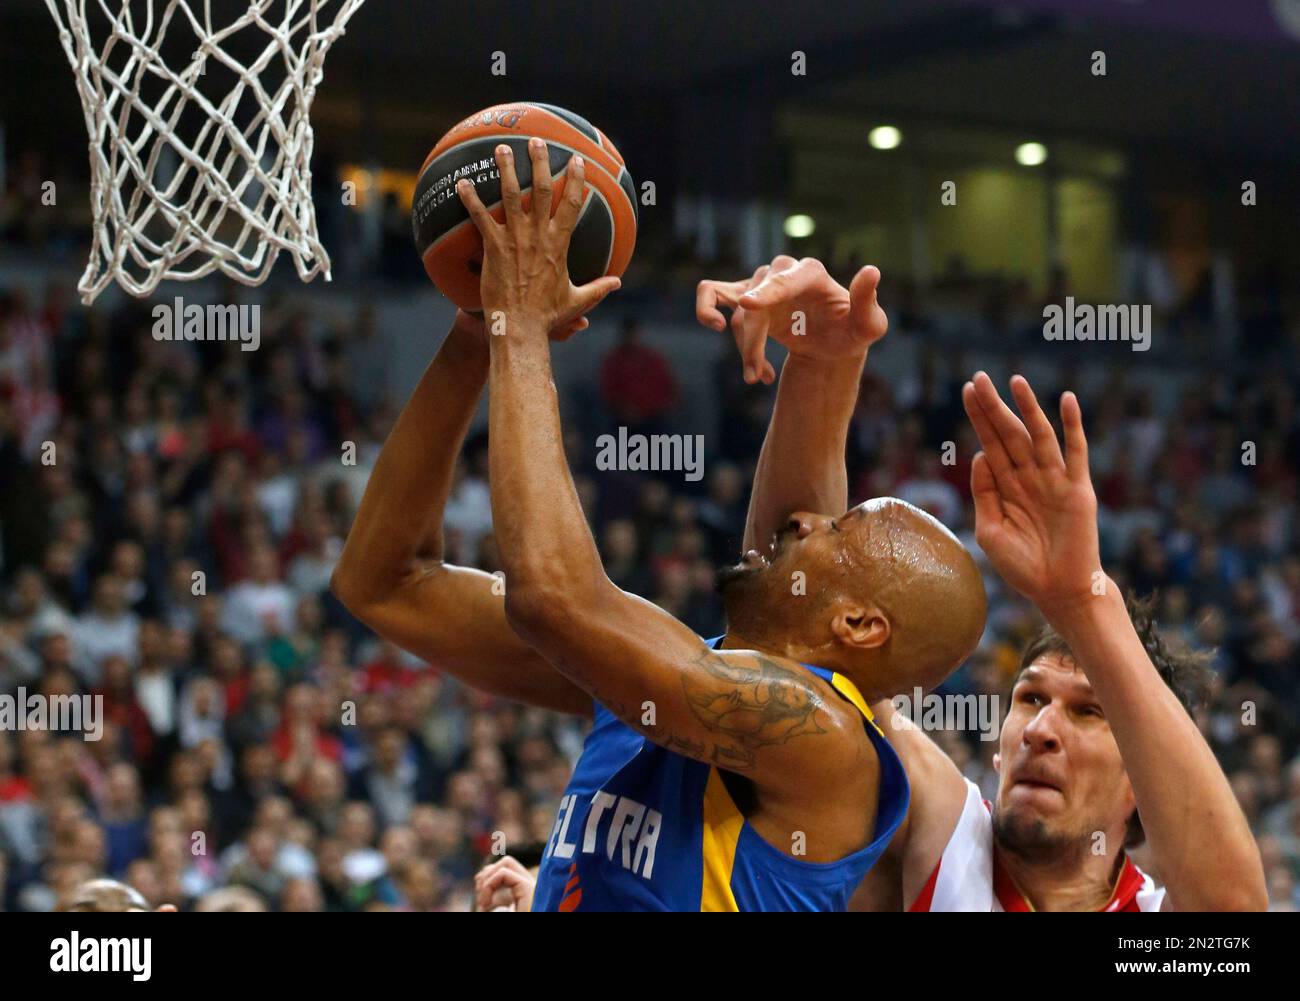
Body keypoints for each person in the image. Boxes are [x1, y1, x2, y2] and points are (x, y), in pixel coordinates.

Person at [331, 140, 986, 911]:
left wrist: (519, 324)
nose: (807, 520)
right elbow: (386, 582)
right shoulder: (657, 684)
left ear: (859, 622)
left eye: (834, 534)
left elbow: (553, 599)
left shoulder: (823, 740)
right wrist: (474, 333)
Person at [844, 373, 1267, 911]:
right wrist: (823, 371)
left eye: (1089, 712)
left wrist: (1084, 600)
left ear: (1144, 782)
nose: (1040, 732)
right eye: (1031, 698)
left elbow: (1235, 914)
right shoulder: (943, 836)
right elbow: (801, 634)